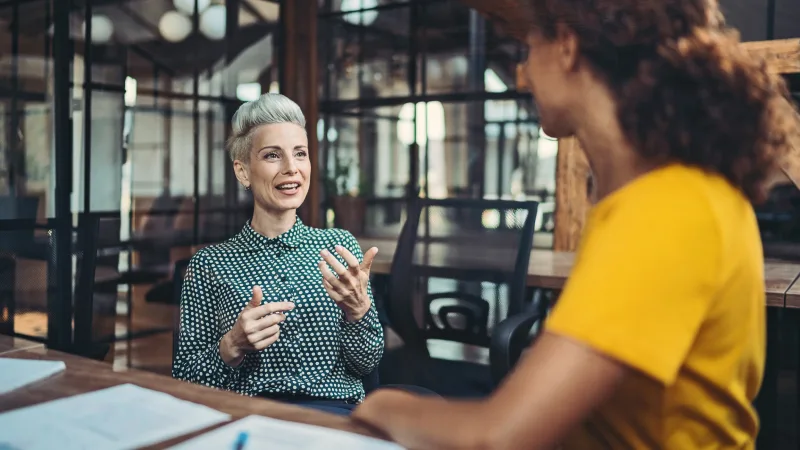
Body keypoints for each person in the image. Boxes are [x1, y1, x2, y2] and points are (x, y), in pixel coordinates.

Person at [352, 0, 799, 448]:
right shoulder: (657, 198)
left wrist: (382, 405)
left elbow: (498, 437)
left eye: (529, 46)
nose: (524, 71)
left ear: (566, 46)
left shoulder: (670, 209)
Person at [172, 93, 384, 416]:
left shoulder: (339, 249)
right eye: (273, 155)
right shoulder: (209, 265)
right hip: (252, 418)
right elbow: (184, 381)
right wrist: (231, 345)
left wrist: (359, 313)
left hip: (334, 418)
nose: (291, 169)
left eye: (300, 154)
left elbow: (366, 363)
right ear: (243, 172)